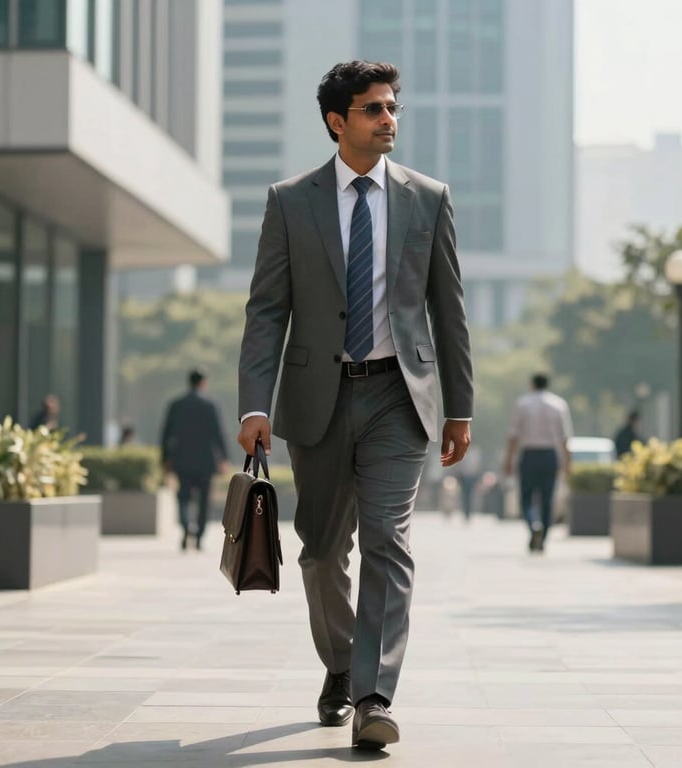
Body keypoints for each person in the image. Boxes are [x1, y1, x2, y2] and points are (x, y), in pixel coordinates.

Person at [237, 60, 474, 750]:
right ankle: (343, 661)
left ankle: (374, 695)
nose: (388, 119)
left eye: (392, 107)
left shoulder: (429, 198)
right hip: (317, 397)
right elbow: (266, 311)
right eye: (373, 109)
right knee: (317, 552)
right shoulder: (291, 201)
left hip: (400, 398)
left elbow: (448, 311)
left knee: (388, 541)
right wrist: (255, 403)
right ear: (338, 121)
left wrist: (459, 408)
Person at [160, 369, 230, 551]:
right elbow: (218, 433)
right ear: (203, 383)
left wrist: (165, 458)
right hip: (206, 461)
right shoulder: (210, 405)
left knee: (183, 496)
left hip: (181, 459)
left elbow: (166, 434)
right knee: (204, 500)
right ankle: (198, 536)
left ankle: (186, 527)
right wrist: (224, 458)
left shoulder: (176, 404)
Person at [502, 373, 572, 552]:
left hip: (529, 455)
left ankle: (534, 524)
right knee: (547, 499)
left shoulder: (523, 403)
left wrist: (509, 459)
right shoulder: (558, 404)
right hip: (550, 455)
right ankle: (544, 538)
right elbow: (565, 437)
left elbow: (513, 435)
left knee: (526, 497)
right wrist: (567, 461)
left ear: (532, 384)